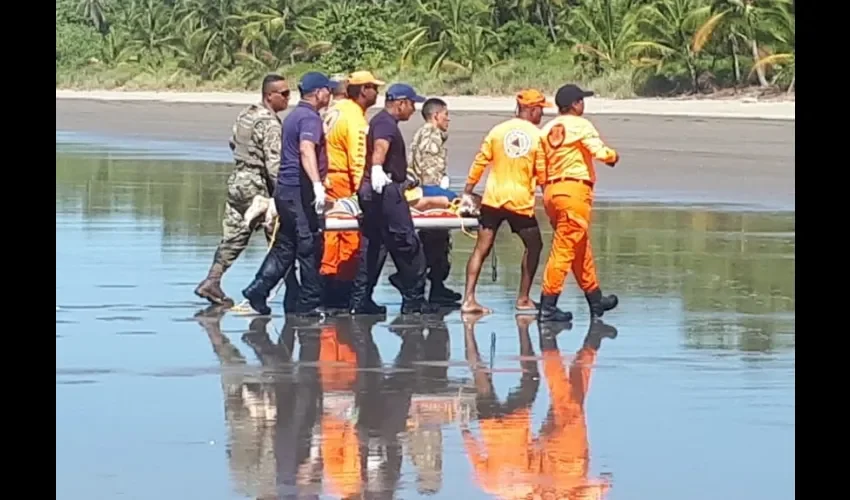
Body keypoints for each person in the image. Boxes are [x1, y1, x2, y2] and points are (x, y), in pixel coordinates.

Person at [241, 72, 337, 317]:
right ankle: (308, 304)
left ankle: (258, 290)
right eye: (328, 90)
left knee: (285, 245)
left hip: (285, 191)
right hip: (297, 191)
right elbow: (306, 150)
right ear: (318, 93)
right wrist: (317, 184)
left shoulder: (294, 115)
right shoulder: (309, 119)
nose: (331, 94)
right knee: (309, 245)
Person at [194, 74, 290, 306]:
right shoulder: (270, 124)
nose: (288, 99)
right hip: (257, 184)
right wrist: (283, 196)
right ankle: (294, 290)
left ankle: (212, 280)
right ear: (270, 95)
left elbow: (233, 142)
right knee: (280, 237)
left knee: (235, 234)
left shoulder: (247, 114)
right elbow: (274, 164)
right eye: (284, 94)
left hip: (238, 180)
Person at [349, 83, 438, 315]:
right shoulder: (385, 124)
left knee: (374, 247)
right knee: (408, 245)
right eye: (412, 104)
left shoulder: (380, 121)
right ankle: (414, 301)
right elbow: (381, 146)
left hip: (373, 191)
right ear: (401, 103)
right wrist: (378, 168)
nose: (414, 109)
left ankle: (360, 301)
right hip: (385, 193)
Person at [460, 89, 551, 315]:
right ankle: (523, 299)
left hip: (493, 199)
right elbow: (541, 173)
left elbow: (480, 161)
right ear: (531, 109)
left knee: (481, 248)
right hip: (519, 201)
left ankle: (468, 299)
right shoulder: (538, 136)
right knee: (535, 246)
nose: (542, 114)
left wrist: (468, 190)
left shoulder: (497, 131)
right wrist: (549, 198)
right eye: (541, 109)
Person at [537, 84, 620, 322]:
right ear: (574, 104)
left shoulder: (547, 129)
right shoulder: (581, 125)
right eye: (581, 100)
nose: (583, 104)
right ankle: (548, 304)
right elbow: (600, 152)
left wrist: (547, 191)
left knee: (579, 248)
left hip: (552, 192)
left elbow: (540, 167)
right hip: (574, 192)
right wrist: (613, 157)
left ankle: (595, 299)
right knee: (564, 249)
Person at [321, 71, 385, 314]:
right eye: (373, 88)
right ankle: (342, 292)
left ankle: (327, 286)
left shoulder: (336, 110)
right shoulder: (355, 119)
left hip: (329, 178)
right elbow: (358, 161)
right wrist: (365, 194)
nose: (376, 93)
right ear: (362, 91)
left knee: (330, 237)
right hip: (343, 181)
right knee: (349, 238)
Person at [408, 97, 462, 306]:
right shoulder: (431, 135)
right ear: (436, 115)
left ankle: (436, 287)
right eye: (446, 115)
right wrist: (445, 197)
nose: (448, 119)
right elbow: (430, 176)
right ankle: (426, 285)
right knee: (436, 241)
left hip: (422, 192)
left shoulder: (422, 133)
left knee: (435, 242)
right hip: (429, 195)